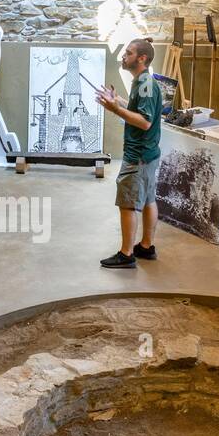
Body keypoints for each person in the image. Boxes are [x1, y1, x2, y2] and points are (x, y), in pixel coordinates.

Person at [96, 39, 161, 269]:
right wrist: (119, 102)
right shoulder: (142, 81)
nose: (124, 56)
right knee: (148, 199)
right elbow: (139, 109)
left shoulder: (145, 84)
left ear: (141, 58)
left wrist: (115, 109)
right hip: (149, 154)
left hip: (139, 156)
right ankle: (146, 246)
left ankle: (126, 254)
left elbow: (144, 121)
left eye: (129, 53)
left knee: (128, 204)